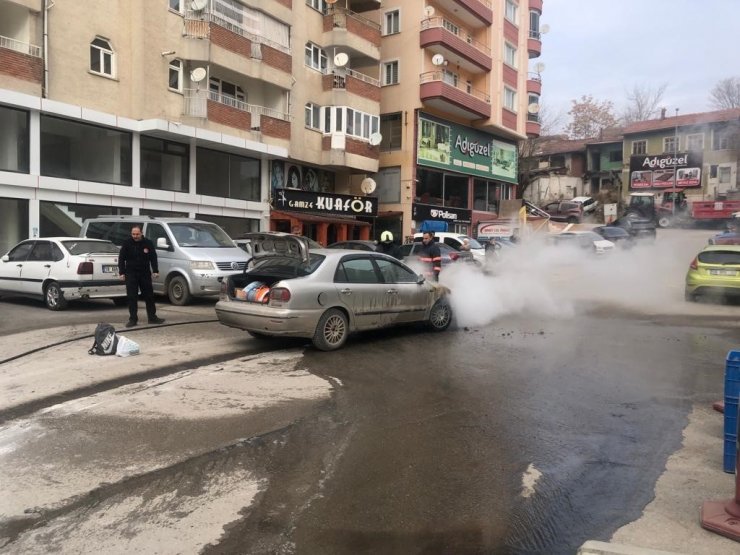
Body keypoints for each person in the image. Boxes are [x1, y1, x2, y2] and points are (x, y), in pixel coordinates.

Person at [118, 225, 165, 328]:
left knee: (149, 296)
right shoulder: (127, 243)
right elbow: (121, 258)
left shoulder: (148, 243)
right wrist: (121, 272)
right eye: (133, 234)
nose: (135, 236)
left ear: (141, 233)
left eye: (137, 234)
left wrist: (155, 270)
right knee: (132, 297)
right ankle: (133, 319)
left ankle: (152, 317)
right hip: (131, 274)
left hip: (144, 273)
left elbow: (153, 257)